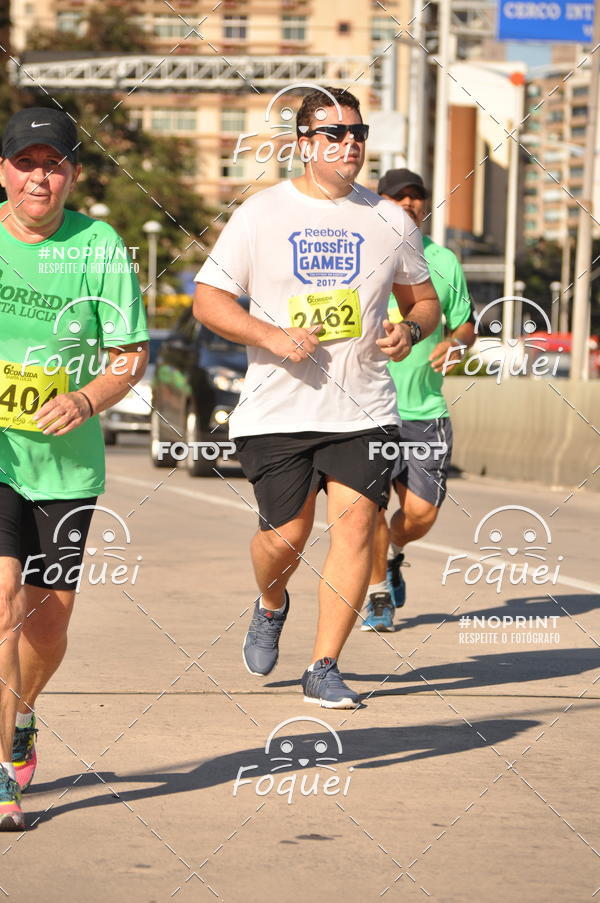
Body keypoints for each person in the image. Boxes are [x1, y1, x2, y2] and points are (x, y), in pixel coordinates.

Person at [194, 89, 440, 709]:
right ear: (303, 144)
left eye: (357, 132)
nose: (349, 143)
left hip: (365, 407)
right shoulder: (261, 214)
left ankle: (324, 665)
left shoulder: (392, 219)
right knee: (286, 538)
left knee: (355, 526)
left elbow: (425, 303)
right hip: (278, 408)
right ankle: (271, 603)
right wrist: (270, 335)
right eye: (334, 133)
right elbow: (210, 302)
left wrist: (407, 330)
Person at [0, 107, 149, 829]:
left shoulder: (98, 245)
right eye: (26, 162)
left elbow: (129, 356)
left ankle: (23, 712)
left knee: (46, 625)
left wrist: (87, 399)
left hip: (66, 467)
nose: (39, 175)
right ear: (4, 171)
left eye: (52, 163)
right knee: (2, 603)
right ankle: (2, 772)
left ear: (72, 175)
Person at [361, 168, 475, 632]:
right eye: (397, 197)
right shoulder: (362, 255)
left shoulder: (443, 261)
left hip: (425, 411)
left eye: (416, 198)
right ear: (380, 202)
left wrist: (457, 344)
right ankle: (377, 596)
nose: (408, 205)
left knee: (421, 513)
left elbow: (465, 324)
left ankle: (392, 554)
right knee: (367, 510)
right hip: (367, 409)